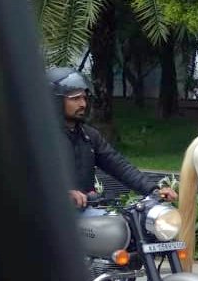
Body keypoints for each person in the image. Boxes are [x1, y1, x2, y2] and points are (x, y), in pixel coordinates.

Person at [47, 67, 177, 211]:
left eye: (84, 98)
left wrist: (153, 190)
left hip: (85, 212)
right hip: (49, 218)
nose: (83, 104)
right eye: (75, 98)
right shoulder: (39, 138)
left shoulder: (89, 136)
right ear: (55, 100)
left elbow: (119, 166)